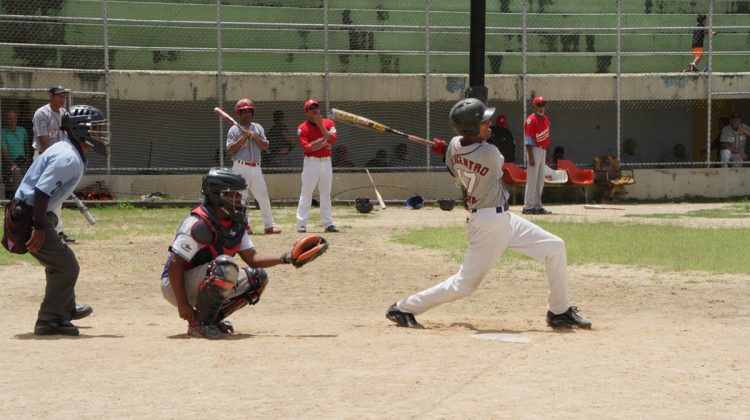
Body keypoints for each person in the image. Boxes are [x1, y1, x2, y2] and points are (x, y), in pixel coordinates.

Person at [385, 97, 590, 330]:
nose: (489, 124)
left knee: (555, 247)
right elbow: (478, 160)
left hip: (503, 219)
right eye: (484, 122)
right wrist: (446, 151)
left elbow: (455, 162)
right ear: (472, 128)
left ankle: (559, 311)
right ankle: (404, 308)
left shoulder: (454, 144)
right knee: (464, 285)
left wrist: (445, 151)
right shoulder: (489, 153)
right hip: (488, 223)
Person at [161, 169, 307, 339]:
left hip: (206, 276)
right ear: (217, 196)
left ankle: (209, 319)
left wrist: (287, 257)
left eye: (240, 194)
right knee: (225, 267)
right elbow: (175, 263)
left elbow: (253, 259)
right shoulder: (198, 224)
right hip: (175, 284)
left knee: (257, 278)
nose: (240, 199)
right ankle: (198, 325)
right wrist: (183, 304)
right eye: (234, 195)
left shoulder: (234, 221)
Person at [3, 105, 109, 335]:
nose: (101, 134)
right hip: (30, 215)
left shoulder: (70, 149)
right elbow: (41, 192)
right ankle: (50, 320)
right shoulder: (68, 157)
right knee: (65, 266)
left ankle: (64, 308)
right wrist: (40, 228)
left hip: (35, 213)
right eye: (97, 128)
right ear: (81, 130)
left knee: (61, 262)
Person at [226, 98, 281, 234]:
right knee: (241, 197)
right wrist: (243, 137)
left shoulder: (258, 128)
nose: (247, 114)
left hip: (256, 167)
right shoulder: (233, 130)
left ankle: (269, 225)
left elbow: (265, 146)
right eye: (244, 111)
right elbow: (230, 150)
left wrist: (256, 137)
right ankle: (244, 226)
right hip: (240, 166)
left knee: (263, 196)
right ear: (239, 113)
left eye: (249, 111)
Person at [32, 86, 74, 243]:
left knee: (58, 196)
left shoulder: (65, 114)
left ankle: (58, 231)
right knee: (43, 195)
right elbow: (43, 141)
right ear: (50, 96)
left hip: (60, 159)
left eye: (64, 96)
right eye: (59, 96)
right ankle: (39, 228)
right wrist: (55, 161)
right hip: (44, 158)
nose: (63, 99)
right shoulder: (41, 113)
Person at [295, 99, 339, 233]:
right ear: (306, 112)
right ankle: (301, 224)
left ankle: (328, 223)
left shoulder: (329, 123)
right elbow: (307, 148)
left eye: (316, 107)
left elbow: (333, 139)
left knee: (325, 194)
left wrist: (321, 126)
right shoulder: (302, 128)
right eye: (311, 108)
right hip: (311, 163)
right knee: (306, 193)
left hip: (326, 162)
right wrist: (323, 144)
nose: (315, 110)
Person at [522, 96, 552, 215]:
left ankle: (537, 205)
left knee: (540, 180)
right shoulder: (531, 120)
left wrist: (549, 154)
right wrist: (530, 157)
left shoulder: (546, 119)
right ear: (534, 106)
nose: (542, 107)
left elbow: (548, 137)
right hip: (534, 150)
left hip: (543, 150)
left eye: (543, 104)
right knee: (532, 179)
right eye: (539, 105)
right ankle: (527, 206)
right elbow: (528, 140)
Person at [2, 110, 29, 199]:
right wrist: (13, 164)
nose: (12, 120)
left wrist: (27, 158)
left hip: (23, 161)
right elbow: (4, 152)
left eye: (13, 118)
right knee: (17, 177)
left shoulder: (22, 130)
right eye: (9, 119)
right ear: (6, 120)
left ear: (17, 119)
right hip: (10, 163)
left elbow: (27, 146)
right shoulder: (3, 132)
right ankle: (16, 201)